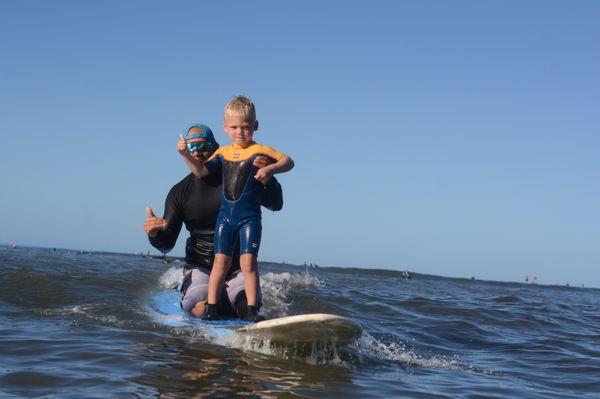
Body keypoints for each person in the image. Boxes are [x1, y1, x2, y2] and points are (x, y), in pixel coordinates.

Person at [145, 123, 283, 319]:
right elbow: (166, 244)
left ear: (215, 147)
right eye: (192, 147)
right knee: (199, 307)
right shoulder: (179, 192)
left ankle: (245, 317)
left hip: (237, 268)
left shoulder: (241, 175)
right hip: (201, 266)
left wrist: (268, 177)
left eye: (203, 146)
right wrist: (154, 233)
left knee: (245, 304)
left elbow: (275, 204)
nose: (198, 153)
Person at [179, 96, 294, 321]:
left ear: (255, 126)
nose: (240, 132)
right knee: (220, 262)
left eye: (246, 127)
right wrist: (185, 155)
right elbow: (200, 172)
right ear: (225, 127)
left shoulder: (260, 150)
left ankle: (252, 310)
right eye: (234, 127)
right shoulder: (222, 153)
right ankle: (211, 306)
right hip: (225, 218)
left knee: (248, 263)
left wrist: (270, 169)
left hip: (249, 218)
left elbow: (288, 161)